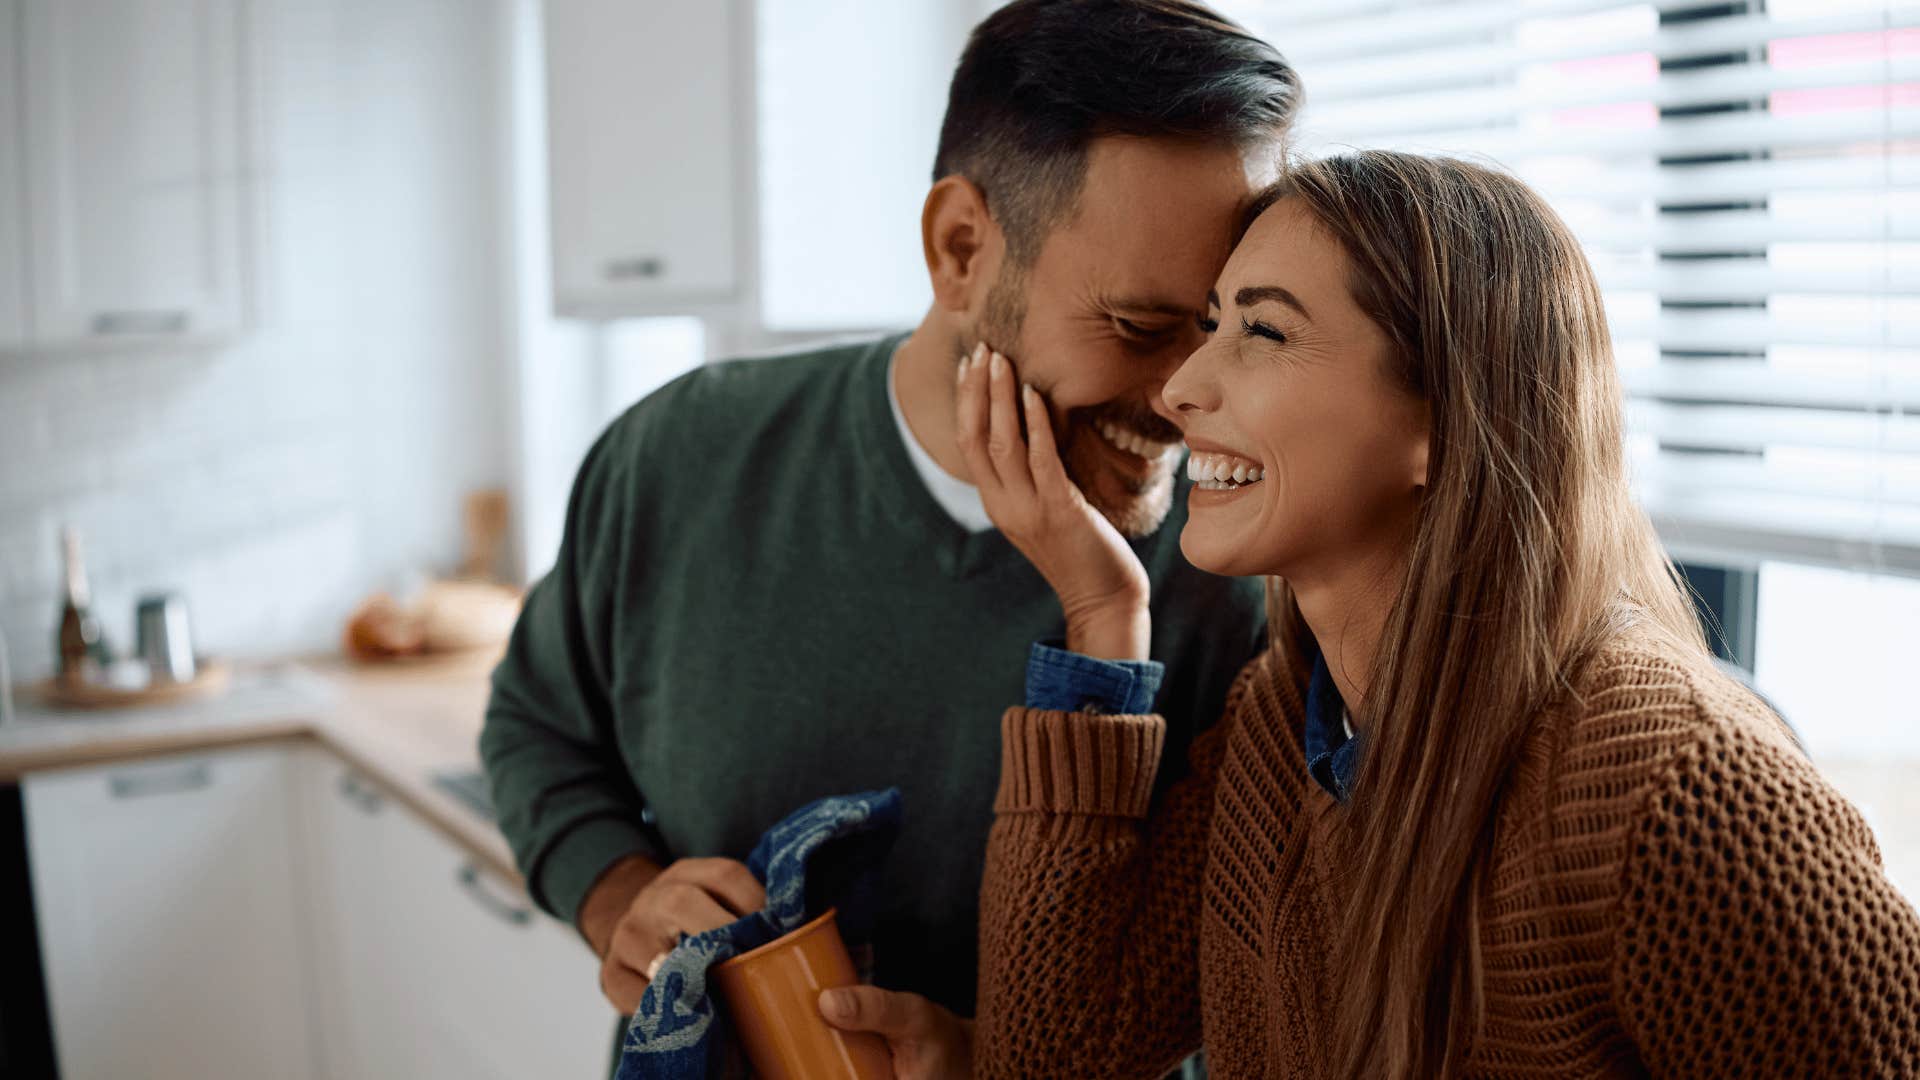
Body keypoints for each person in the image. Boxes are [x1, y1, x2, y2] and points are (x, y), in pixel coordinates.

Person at [826, 151, 1920, 1076]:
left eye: (1261, 333)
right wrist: (1100, 608)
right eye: (1210, 324)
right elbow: (1056, 1055)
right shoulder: (1287, 729)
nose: (1180, 387)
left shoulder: (1675, 787)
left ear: (1442, 419)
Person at [479, 0, 1300, 1066]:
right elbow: (536, 726)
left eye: (1225, 327)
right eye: (1140, 328)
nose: (1189, 396)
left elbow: (1226, 977)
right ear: (961, 249)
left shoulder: (1240, 564)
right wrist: (618, 893)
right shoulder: (679, 455)